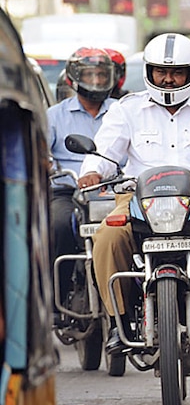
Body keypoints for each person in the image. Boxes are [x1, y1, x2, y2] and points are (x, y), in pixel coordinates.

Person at [78, 32, 190, 351]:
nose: (168, 80)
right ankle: (119, 321)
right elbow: (104, 151)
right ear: (149, 71)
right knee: (107, 238)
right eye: (161, 71)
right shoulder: (126, 109)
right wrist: (91, 171)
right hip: (136, 197)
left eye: (177, 72)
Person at [45, 48, 117, 306]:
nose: (96, 81)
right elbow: (41, 153)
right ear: (73, 78)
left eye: (101, 75)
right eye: (89, 75)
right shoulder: (54, 116)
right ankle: (57, 298)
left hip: (114, 191)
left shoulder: (122, 111)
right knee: (59, 226)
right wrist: (48, 165)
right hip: (68, 191)